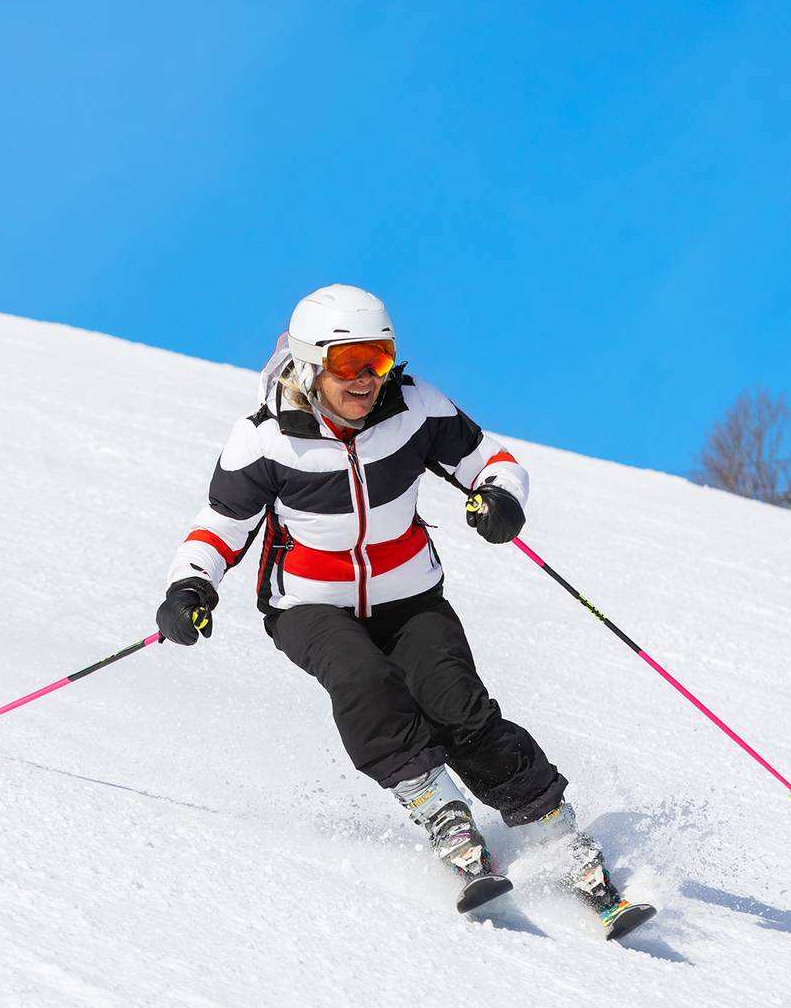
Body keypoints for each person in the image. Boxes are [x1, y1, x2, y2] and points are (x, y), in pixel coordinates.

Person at [157, 285, 647, 934]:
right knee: (366, 684)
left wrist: (499, 499)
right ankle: (447, 823)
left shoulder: (414, 409)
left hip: (408, 595)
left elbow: (490, 463)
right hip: (309, 604)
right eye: (350, 360)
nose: (366, 379)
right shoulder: (266, 441)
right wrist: (190, 588)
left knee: (460, 709)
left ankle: (567, 848)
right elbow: (220, 526)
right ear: (309, 364)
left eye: (379, 358)